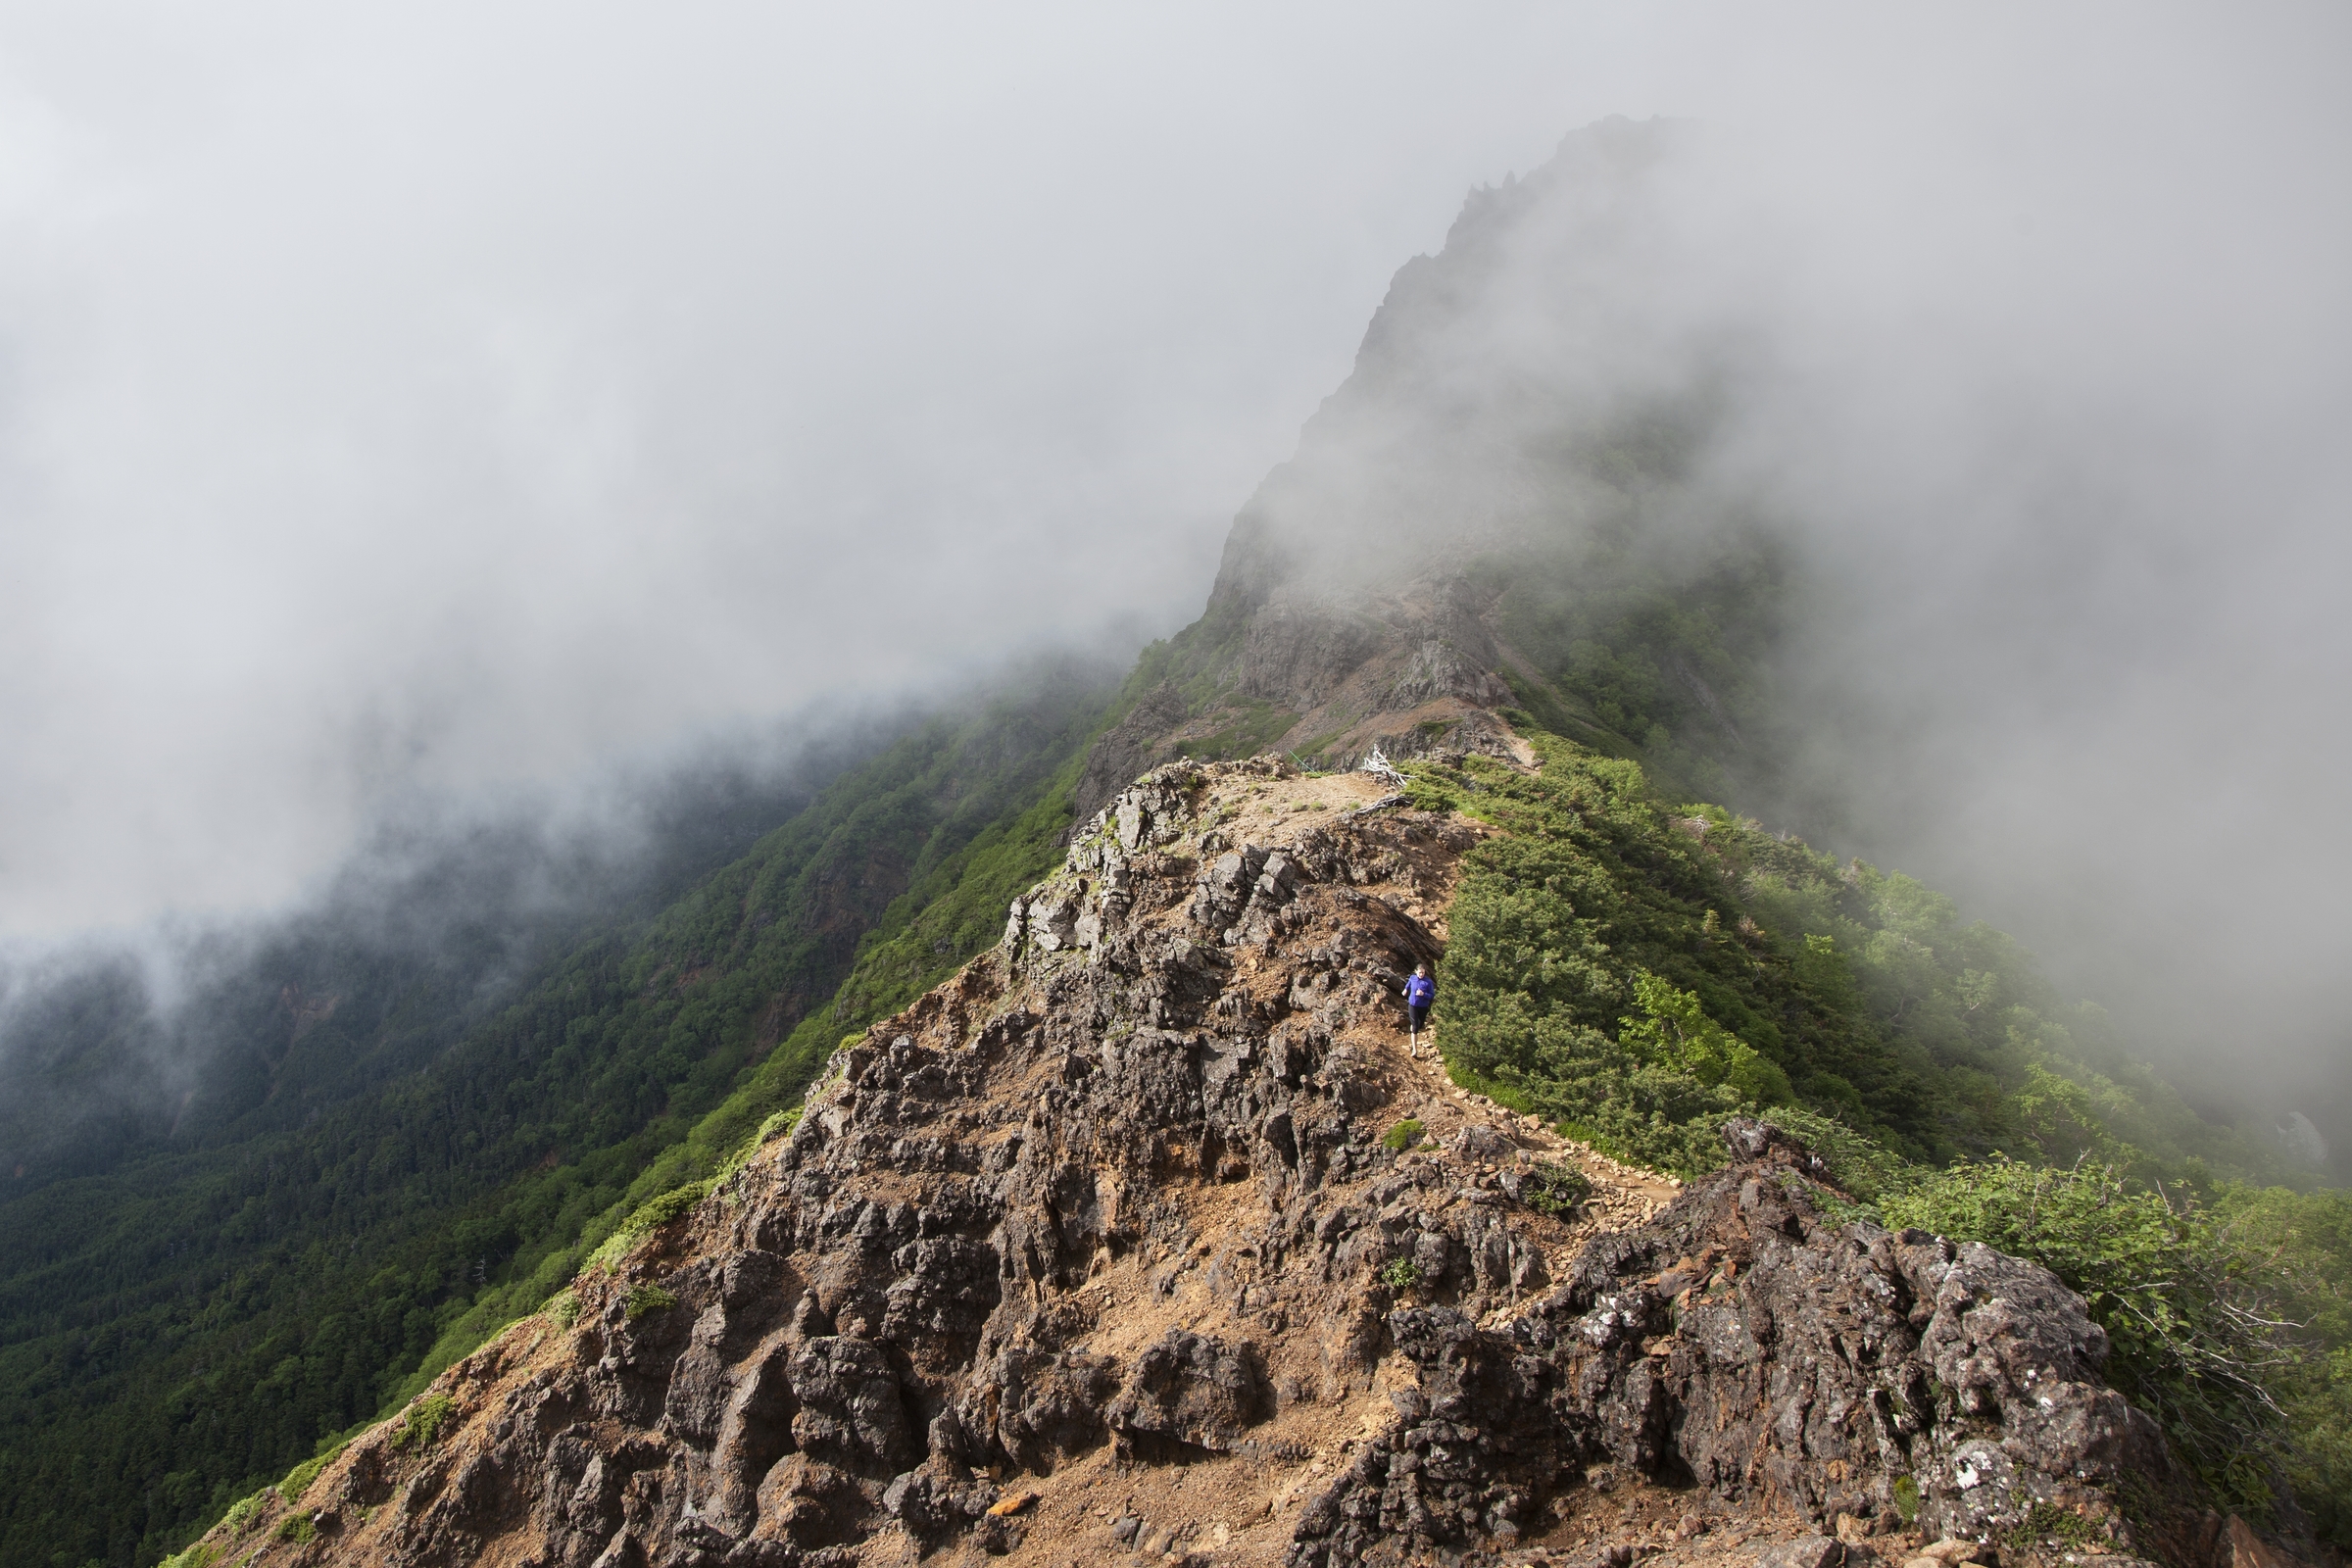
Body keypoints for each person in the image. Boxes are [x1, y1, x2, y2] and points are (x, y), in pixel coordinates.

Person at [1402, 963, 1435, 1045]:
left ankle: (1414, 1027)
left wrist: (1423, 994)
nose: (1421, 974)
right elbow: (1409, 984)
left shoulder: (1428, 982)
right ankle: (1414, 1050)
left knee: (1419, 1025)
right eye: (1420, 972)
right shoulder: (1412, 978)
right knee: (1415, 1028)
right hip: (1413, 1005)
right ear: (1416, 971)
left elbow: (1431, 995)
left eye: (1423, 973)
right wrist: (1405, 989)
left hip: (1423, 1006)